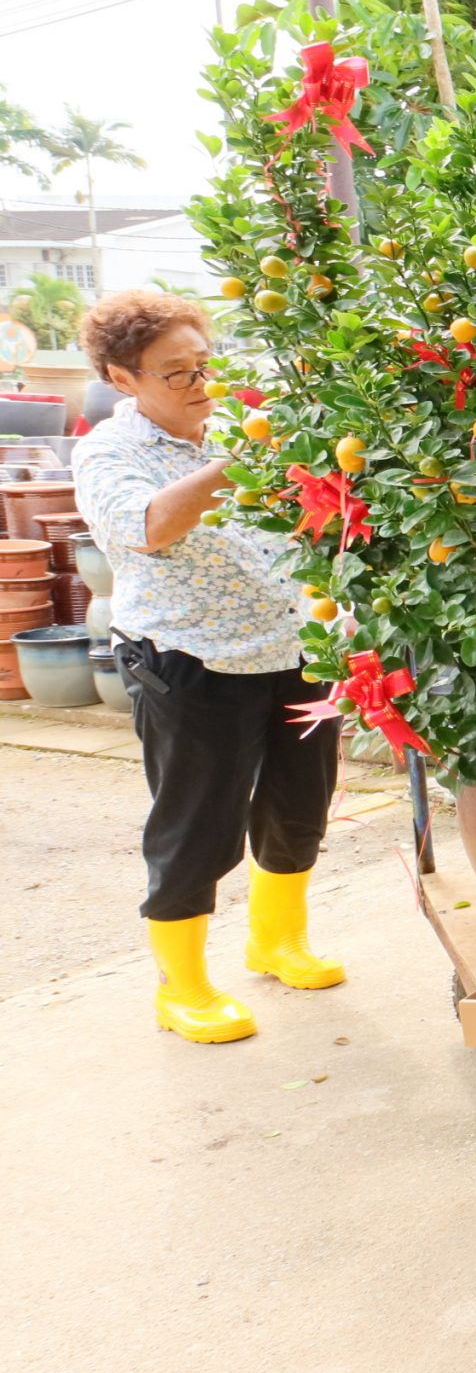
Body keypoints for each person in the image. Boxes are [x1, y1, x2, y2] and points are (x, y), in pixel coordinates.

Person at [71, 291, 344, 1044]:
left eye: (204, 364)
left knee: (300, 804)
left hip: (295, 646)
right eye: (176, 373)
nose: (200, 383)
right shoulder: (106, 451)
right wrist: (237, 462)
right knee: (197, 823)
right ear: (123, 379)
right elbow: (150, 526)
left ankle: (277, 940)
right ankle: (181, 984)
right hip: (190, 659)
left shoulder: (238, 423)